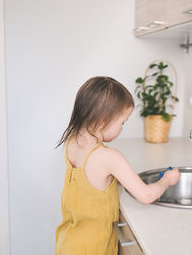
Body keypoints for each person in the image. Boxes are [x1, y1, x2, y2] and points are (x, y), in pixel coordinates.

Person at [55, 76, 180, 255]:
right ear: (103, 120)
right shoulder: (109, 157)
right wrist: (167, 180)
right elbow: (146, 195)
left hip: (68, 243)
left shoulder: (72, 142)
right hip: (96, 248)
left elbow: (89, 184)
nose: (122, 128)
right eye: (122, 122)